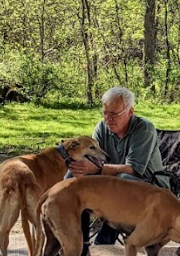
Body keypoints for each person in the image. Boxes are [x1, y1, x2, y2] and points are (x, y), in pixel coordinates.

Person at [66, 86, 170, 244]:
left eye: (114, 114)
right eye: (105, 113)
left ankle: (105, 239)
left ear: (130, 112)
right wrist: (80, 169)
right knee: (74, 178)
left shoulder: (144, 129)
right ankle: (78, 241)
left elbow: (133, 169)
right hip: (113, 182)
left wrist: (98, 169)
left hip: (151, 186)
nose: (108, 119)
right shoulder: (102, 127)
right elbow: (92, 160)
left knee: (121, 181)